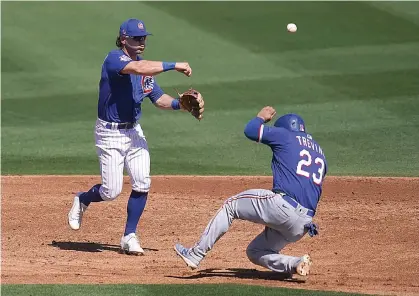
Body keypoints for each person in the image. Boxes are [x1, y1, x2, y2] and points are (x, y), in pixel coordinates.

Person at [68, 18, 204, 256]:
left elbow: (159, 98)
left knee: (142, 182)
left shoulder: (144, 68)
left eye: (143, 38)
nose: (141, 42)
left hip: (133, 132)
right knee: (111, 192)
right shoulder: (114, 59)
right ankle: (83, 199)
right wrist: (175, 65)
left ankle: (129, 236)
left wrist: (181, 105)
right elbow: (139, 68)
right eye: (136, 38)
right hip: (109, 134)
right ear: (123, 39)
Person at [174, 106, 327, 277]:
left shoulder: (286, 136)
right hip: (303, 224)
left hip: (283, 206)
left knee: (231, 206)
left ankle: (196, 254)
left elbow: (251, 130)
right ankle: (295, 263)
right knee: (256, 251)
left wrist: (261, 117)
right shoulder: (320, 153)